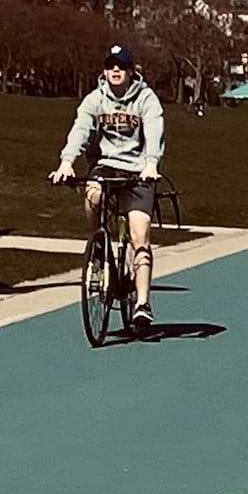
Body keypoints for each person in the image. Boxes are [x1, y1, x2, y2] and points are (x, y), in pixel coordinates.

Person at [48, 45, 165, 329]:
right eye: (111, 66)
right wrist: (66, 162)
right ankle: (97, 248)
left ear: (130, 71)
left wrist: (151, 163)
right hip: (105, 165)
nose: (115, 71)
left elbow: (154, 129)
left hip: (138, 171)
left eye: (121, 66)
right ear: (104, 70)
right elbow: (80, 129)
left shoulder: (146, 99)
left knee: (140, 235)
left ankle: (142, 303)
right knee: (92, 195)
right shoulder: (94, 100)